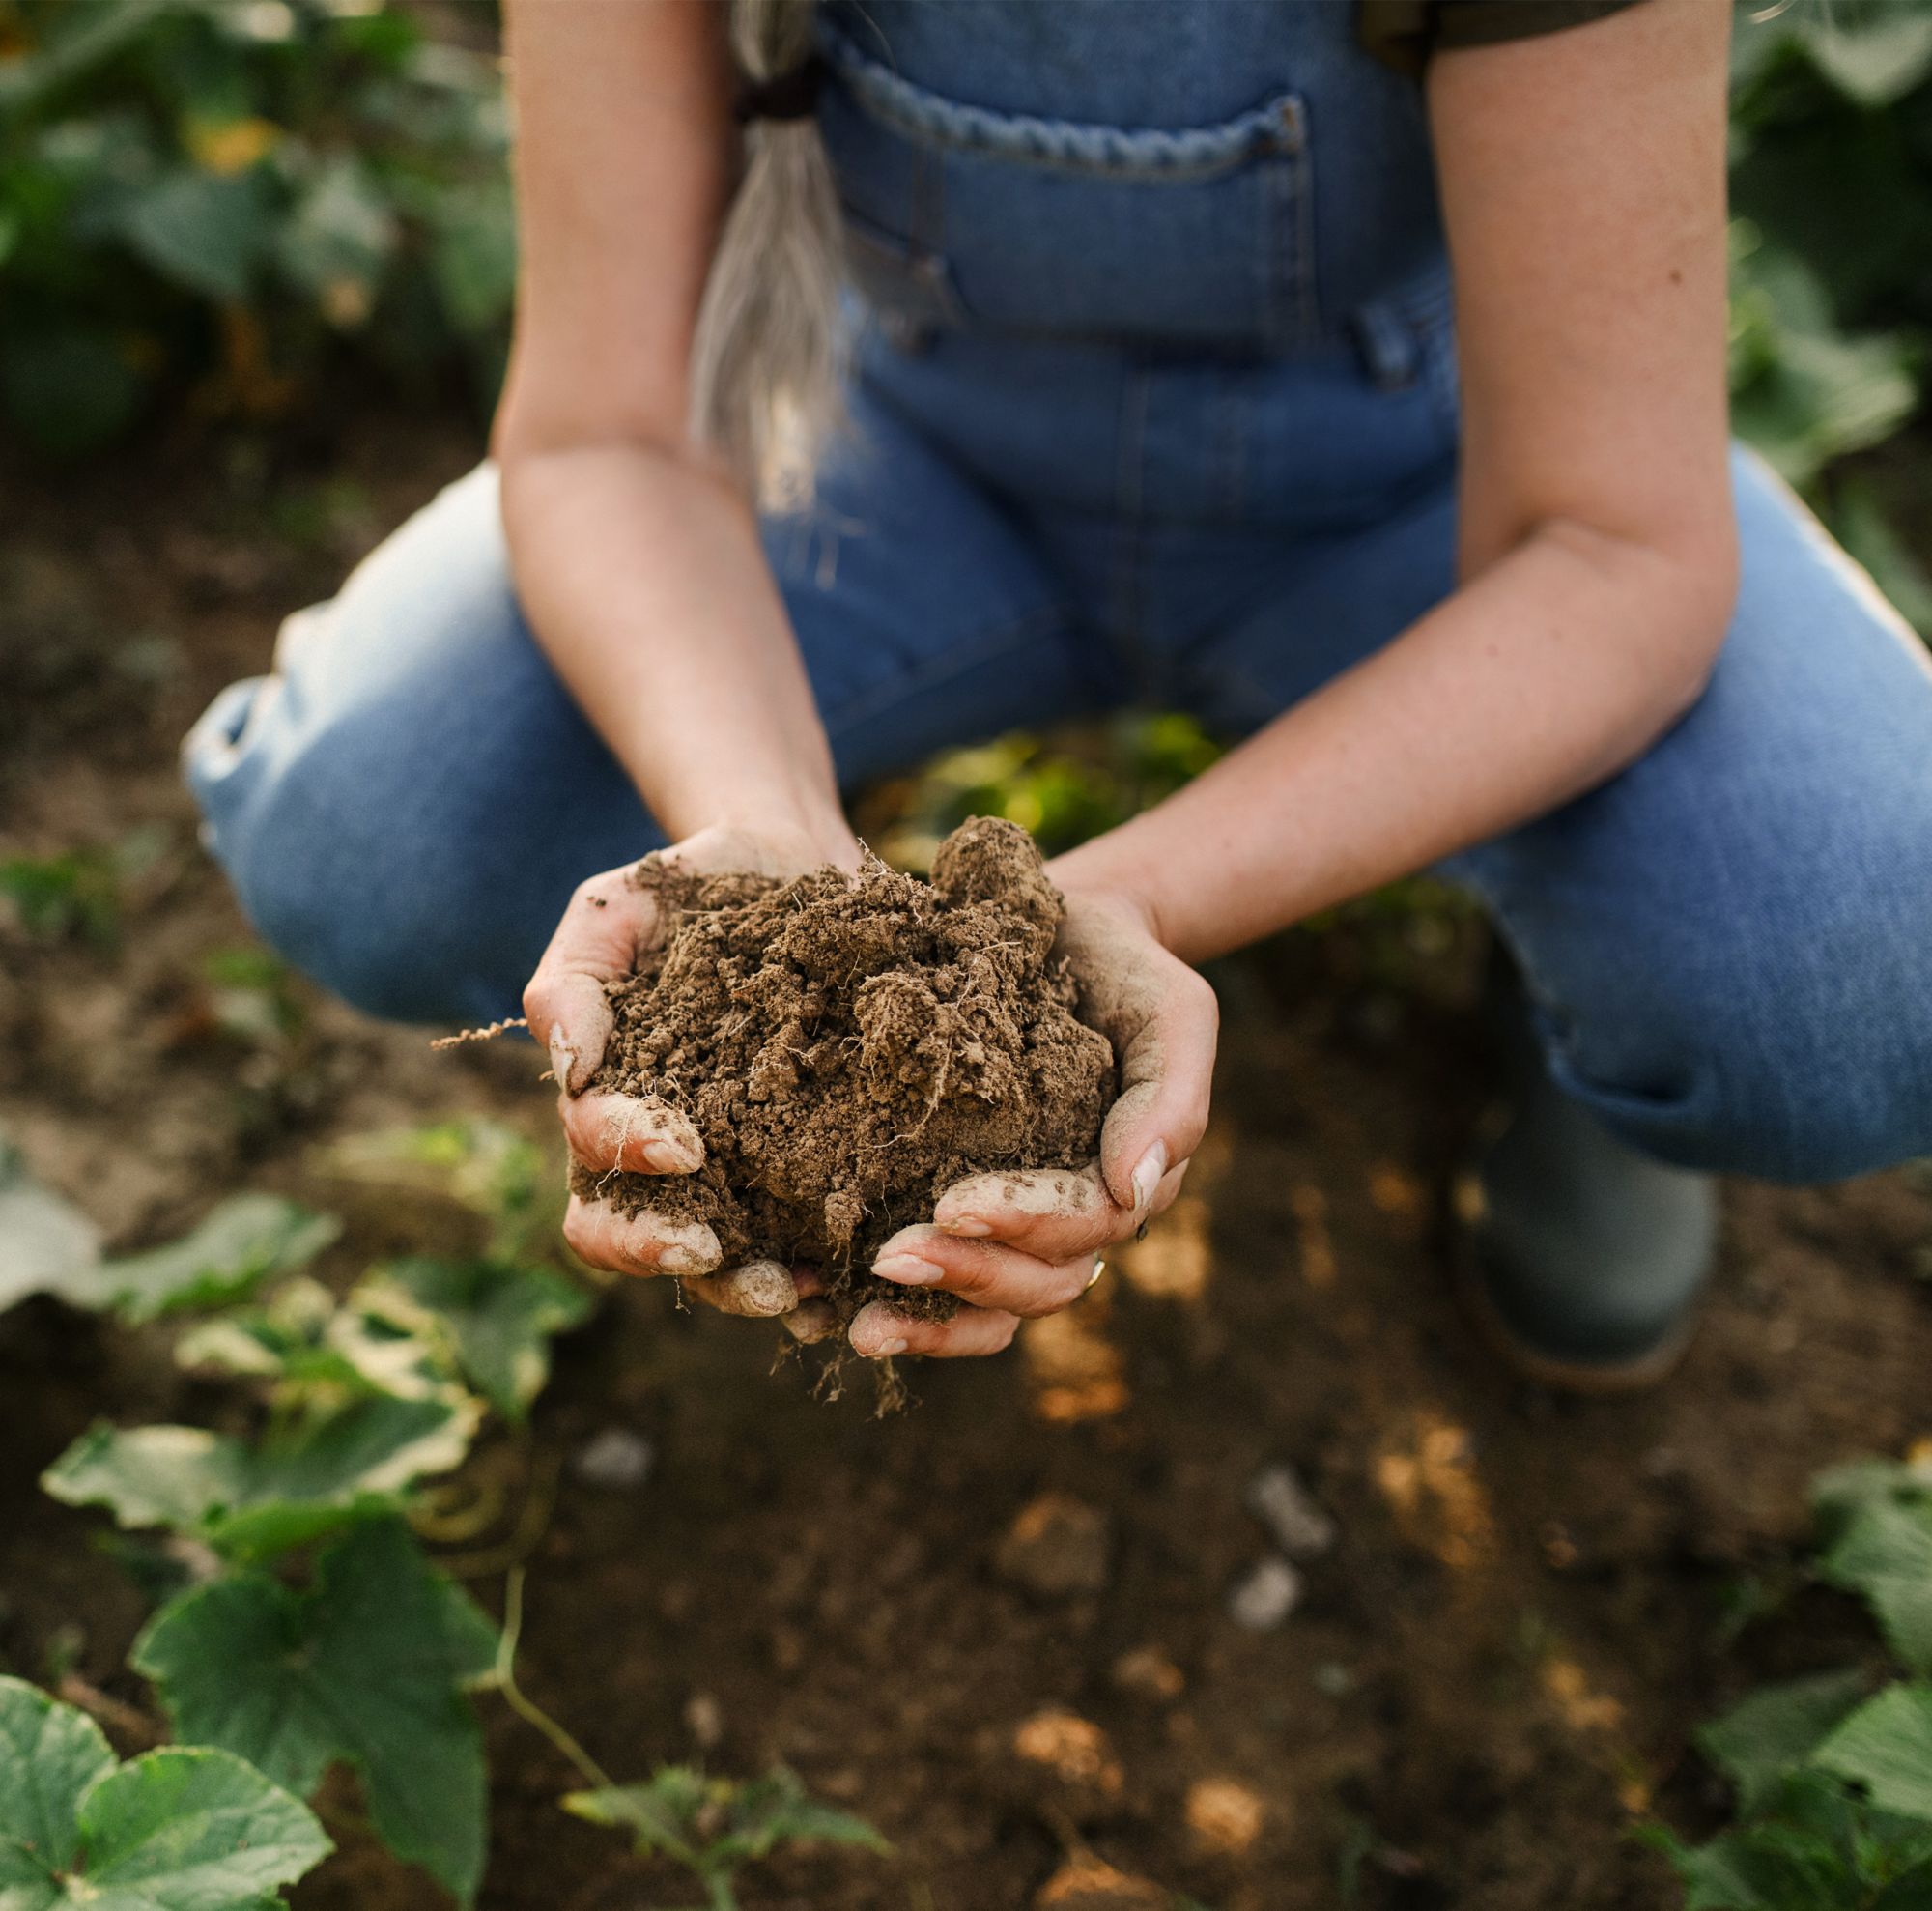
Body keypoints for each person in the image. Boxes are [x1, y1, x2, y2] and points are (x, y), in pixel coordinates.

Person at [184, 0, 1932, 1391]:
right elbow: (609, 431)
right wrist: (764, 852)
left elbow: (1609, 549)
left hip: (1443, 502)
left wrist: (1118, 902)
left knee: (1849, 967)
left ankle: (1585, 1048)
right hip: (895, 461)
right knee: (377, 825)